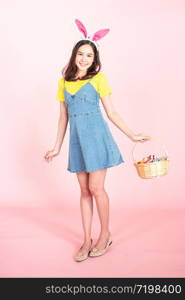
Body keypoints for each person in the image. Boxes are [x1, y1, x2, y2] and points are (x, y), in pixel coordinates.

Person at [44, 19, 151, 262]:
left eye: (89, 55)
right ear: (74, 56)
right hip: (77, 142)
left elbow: (112, 112)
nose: (84, 59)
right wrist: (56, 147)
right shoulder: (63, 82)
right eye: (80, 54)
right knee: (83, 190)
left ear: (95, 59)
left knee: (96, 188)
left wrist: (132, 134)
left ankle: (105, 234)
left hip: (97, 138)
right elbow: (63, 118)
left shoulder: (99, 79)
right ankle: (86, 239)